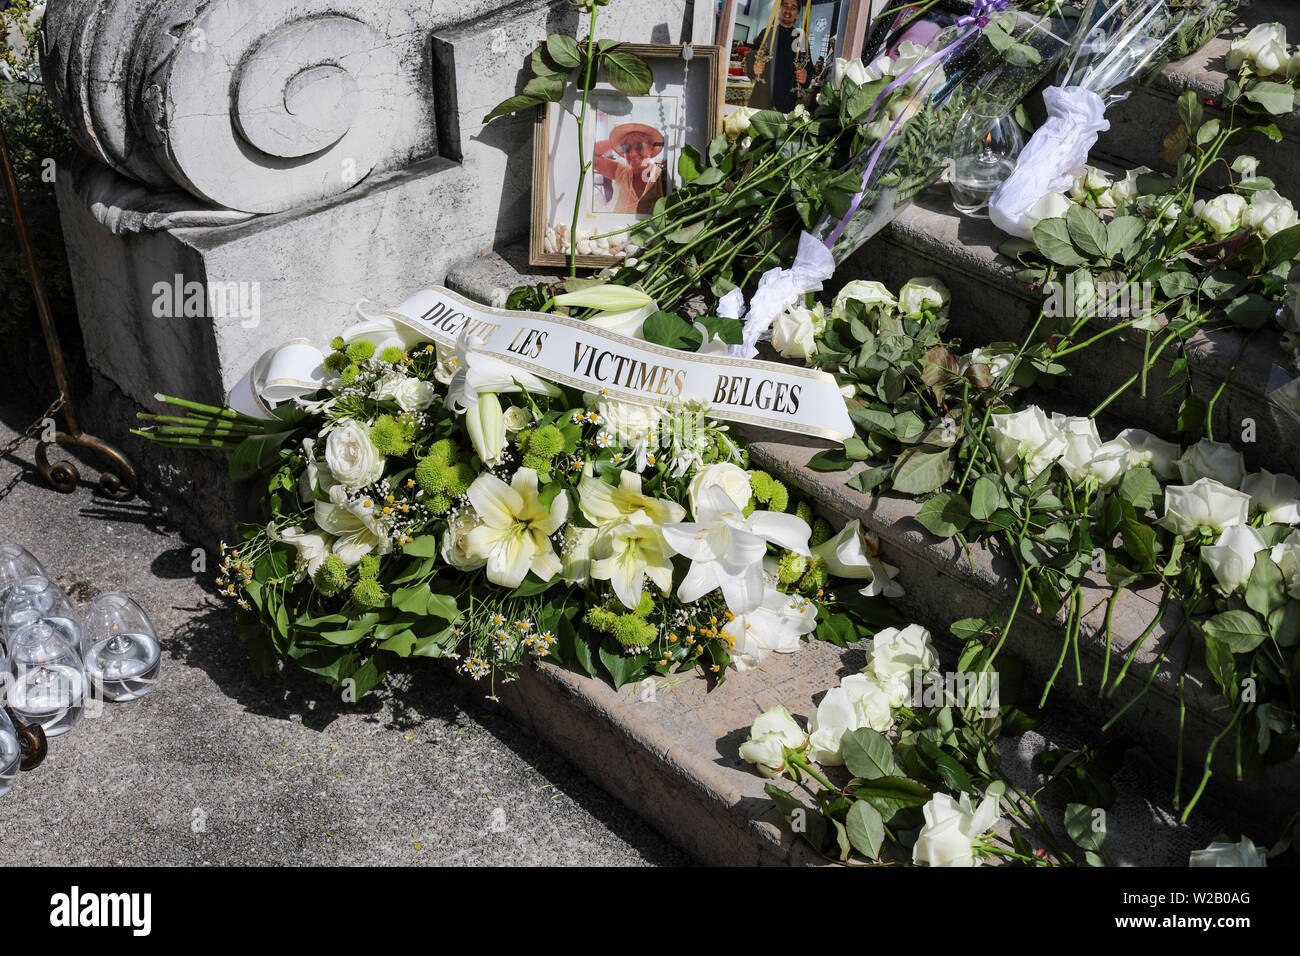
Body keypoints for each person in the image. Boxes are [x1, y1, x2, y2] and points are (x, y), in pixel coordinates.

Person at [744, 0, 808, 113]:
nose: (788, 10)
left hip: (786, 100)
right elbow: (752, 57)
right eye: (785, 6)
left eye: (793, 8)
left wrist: (804, 75)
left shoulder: (800, 38)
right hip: (762, 97)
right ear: (779, 9)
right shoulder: (766, 33)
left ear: (798, 14)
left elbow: (807, 66)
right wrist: (754, 66)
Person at [593, 122, 666, 216]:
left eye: (639, 146)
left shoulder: (661, 177)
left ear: (651, 148)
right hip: (618, 228)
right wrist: (615, 142)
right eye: (626, 148)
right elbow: (593, 155)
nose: (632, 154)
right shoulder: (621, 172)